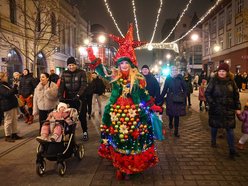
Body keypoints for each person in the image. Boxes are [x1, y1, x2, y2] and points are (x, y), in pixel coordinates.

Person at [86, 24, 162, 180]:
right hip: (117, 113)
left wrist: (151, 105)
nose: (124, 65)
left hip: (135, 113)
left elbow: (143, 94)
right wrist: (93, 58)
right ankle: (122, 165)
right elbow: (102, 73)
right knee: (120, 138)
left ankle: (134, 165)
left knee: (134, 138)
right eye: (121, 63)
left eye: (126, 63)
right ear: (118, 65)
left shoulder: (138, 79)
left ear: (131, 64)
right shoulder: (115, 77)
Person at [205, 63, 241, 159]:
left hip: (228, 109)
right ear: (218, 72)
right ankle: (213, 141)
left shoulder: (231, 81)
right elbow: (207, 93)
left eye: (223, 71)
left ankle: (232, 150)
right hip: (216, 109)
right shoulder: (213, 80)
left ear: (227, 72)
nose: (221, 73)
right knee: (214, 127)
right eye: (220, 71)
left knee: (230, 129)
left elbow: (236, 95)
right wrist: (212, 104)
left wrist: (237, 108)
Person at [58, 56, 88, 141]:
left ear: (76, 65)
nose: (71, 67)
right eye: (69, 65)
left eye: (73, 65)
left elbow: (83, 85)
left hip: (80, 99)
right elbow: (62, 86)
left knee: (82, 116)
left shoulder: (81, 72)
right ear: (67, 66)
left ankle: (85, 131)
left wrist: (78, 95)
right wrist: (60, 95)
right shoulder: (64, 73)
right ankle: (70, 132)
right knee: (68, 116)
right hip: (69, 99)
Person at [158, 66, 187, 137]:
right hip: (170, 99)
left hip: (178, 99)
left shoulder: (180, 78)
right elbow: (165, 89)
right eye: (173, 70)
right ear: (170, 71)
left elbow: (185, 88)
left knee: (177, 115)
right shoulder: (168, 79)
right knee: (171, 113)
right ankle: (170, 122)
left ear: (177, 71)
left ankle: (176, 131)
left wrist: (184, 96)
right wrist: (160, 98)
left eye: (175, 70)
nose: (174, 71)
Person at [0, 72, 22, 142]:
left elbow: (13, 92)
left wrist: (16, 87)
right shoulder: (1, 86)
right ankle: (7, 136)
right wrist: (15, 86)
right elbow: (7, 94)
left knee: (14, 120)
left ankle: (14, 134)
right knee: (8, 121)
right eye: (5, 76)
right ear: (1, 78)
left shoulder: (6, 84)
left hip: (12, 104)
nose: (7, 77)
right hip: (7, 105)